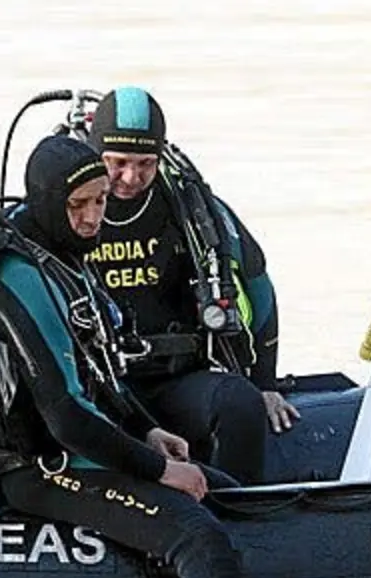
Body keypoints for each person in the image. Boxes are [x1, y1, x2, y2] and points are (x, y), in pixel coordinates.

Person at [0, 133, 357, 578]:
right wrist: (158, 470)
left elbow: (100, 375)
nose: (93, 218)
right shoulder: (20, 274)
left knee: (230, 495)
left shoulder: (62, 259)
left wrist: (146, 429)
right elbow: (66, 416)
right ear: (48, 202)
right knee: (196, 535)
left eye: (100, 202)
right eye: (78, 206)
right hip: (43, 468)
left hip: (92, 447)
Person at [82, 86, 297, 486]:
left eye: (146, 163)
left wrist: (265, 383)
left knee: (240, 403)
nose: (131, 178)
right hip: (101, 386)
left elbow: (258, 286)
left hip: (174, 379)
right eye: (118, 162)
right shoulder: (67, 207)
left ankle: (239, 513)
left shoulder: (188, 208)